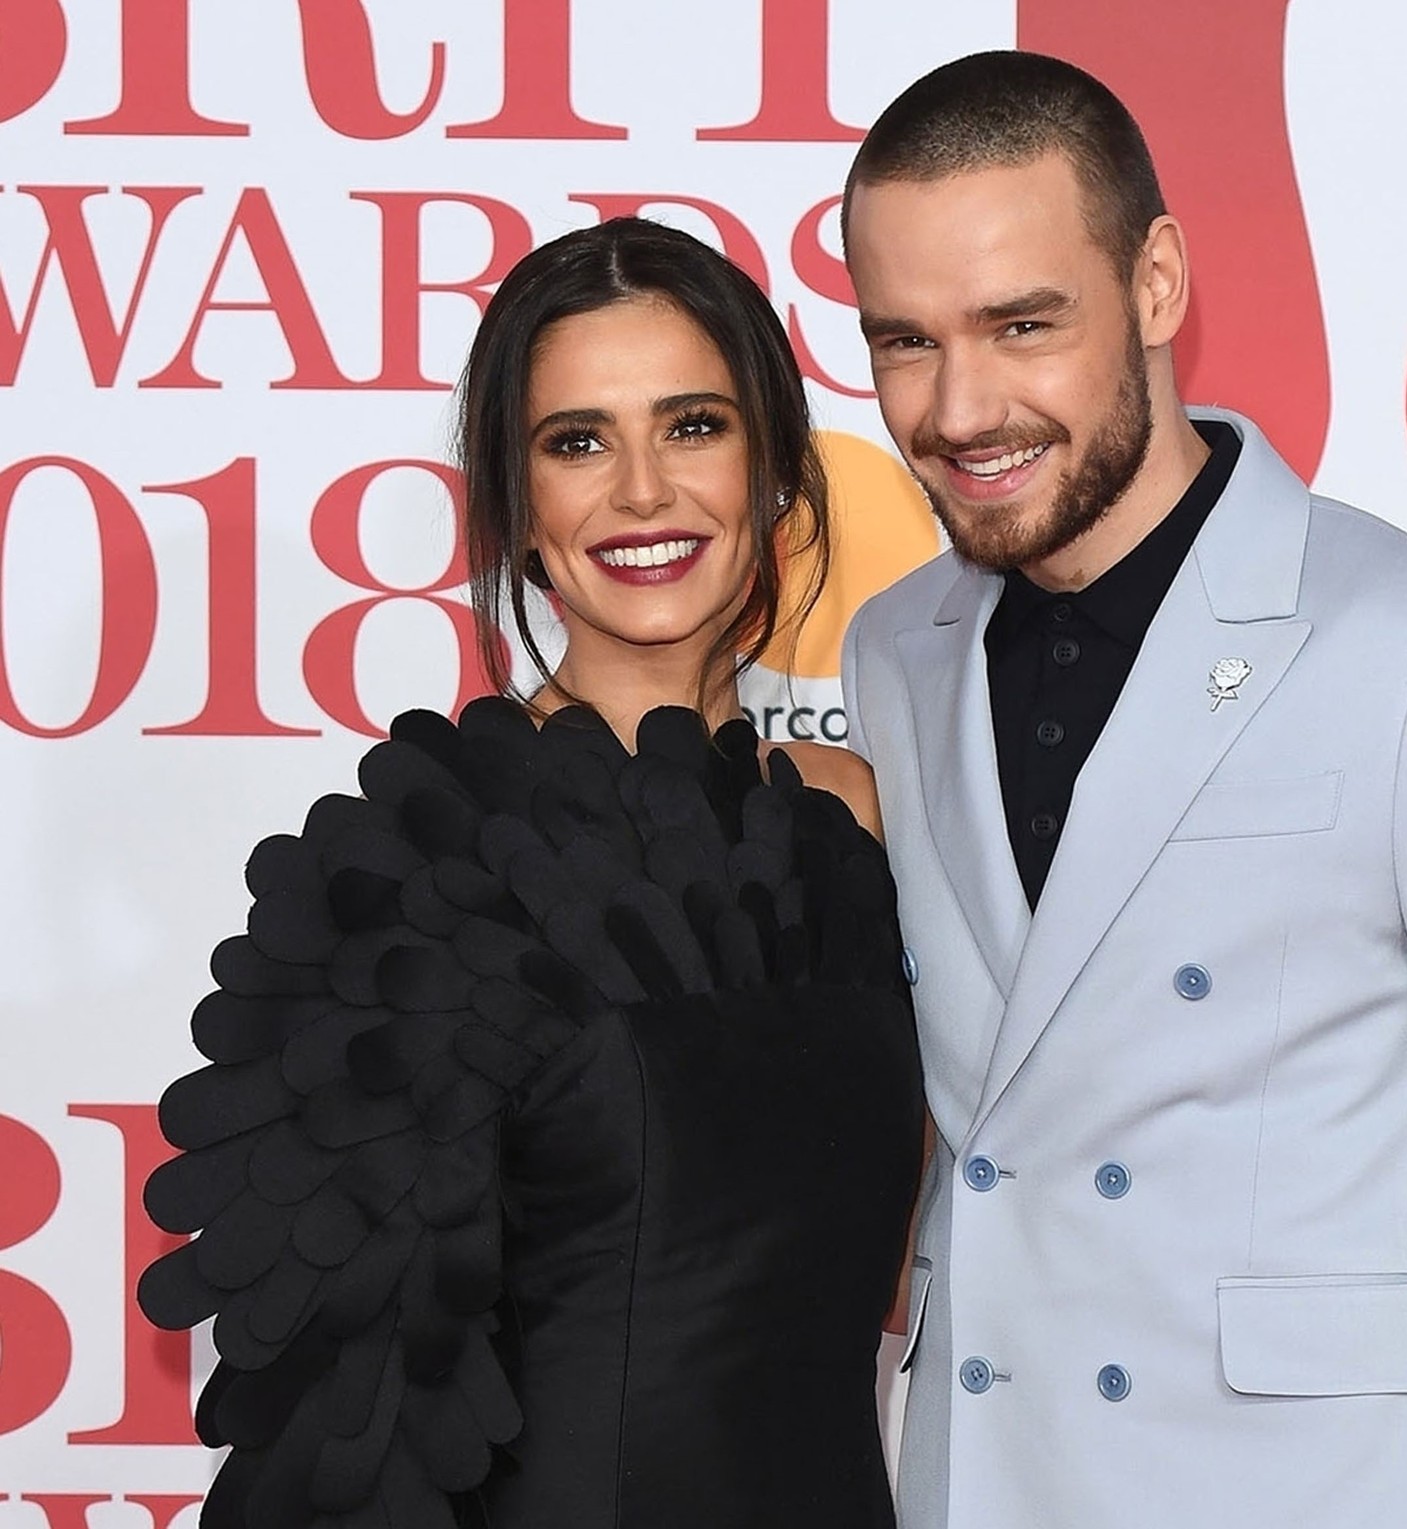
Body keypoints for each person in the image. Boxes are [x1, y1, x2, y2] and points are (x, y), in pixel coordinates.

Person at [838, 50, 1407, 1529]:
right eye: (905, 341)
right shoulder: (893, 649)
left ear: (1156, 283)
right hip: (991, 1485)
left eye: (1023, 324)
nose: (962, 407)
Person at [137, 217, 924, 1529]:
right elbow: (353, 1426)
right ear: (516, 506)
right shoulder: (424, 874)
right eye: (578, 442)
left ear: (780, 466)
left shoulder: (860, 819)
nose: (642, 493)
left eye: (693, 426)